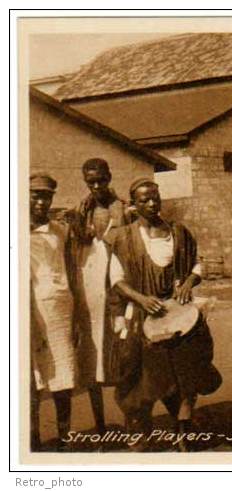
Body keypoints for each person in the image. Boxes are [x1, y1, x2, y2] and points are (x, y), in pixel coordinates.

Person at [108, 178, 221, 451]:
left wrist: (188, 283)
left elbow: (197, 265)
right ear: (133, 204)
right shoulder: (124, 237)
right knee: (140, 376)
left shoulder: (178, 232)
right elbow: (117, 280)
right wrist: (142, 299)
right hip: (142, 315)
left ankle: (182, 427)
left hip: (177, 316)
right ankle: (140, 430)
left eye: (155, 197)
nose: (151, 203)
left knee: (184, 371)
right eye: (144, 199)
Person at [68, 158, 134, 436]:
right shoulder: (81, 210)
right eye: (90, 182)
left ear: (109, 177)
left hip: (118, 289)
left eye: (100, 180)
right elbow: (75, 250)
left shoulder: (125, 211)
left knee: (124, 357)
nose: (96, 186)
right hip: (90, 290)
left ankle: (133, 422)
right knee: (93, 358)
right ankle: (101, 427)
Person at [29, 173, 78, 450]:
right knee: (30, 378)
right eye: (35, 194)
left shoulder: (60, 230)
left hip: (59, 308)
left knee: (63, 373)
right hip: (27, 309)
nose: (40, 201)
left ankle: (64, 437)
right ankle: (31, 439)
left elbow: (71, 266)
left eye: (45, 195)